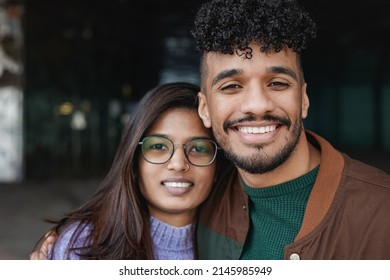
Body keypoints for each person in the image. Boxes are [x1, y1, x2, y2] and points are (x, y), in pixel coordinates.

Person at [191, 0, 390, 259]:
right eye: (231, 86)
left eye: (277, 83)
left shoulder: (381, 214)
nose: (257, 105)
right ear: (205, 109)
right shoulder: (200, 198)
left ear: (304, 99)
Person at [31, 82, 235, 260]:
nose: (178, 163)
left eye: (199, 148)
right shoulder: (82, 244)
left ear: (216, 167)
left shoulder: (238, 251)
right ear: (134, 163)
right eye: (158, 146)